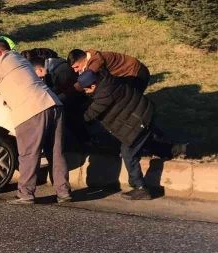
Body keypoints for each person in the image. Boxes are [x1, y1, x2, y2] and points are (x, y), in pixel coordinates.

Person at [0, 39, 72, 205]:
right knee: (56, 152)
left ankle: (26, 194)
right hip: (53, 104)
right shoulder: (18, 59)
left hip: (32, 110)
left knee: (29, 153)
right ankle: (63, 192)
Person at [78, 69, 186, 200]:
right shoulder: (108, 80)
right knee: (144, 142)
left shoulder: (103, 95)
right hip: (144, 112)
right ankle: (177, 149)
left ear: (93, 85)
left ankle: (140, 187)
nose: (85, 92)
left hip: (138, 120)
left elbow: (89, 115)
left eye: (86, 90)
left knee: (128, 152)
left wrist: (74, 117)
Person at [68, 48, 151, 93]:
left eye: (76, 67)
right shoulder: (87, 57)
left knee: (129, 102)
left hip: (136, 73)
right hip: (128, 74)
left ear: (83, 60)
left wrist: (64, 95)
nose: (75, 70)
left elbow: (82, 83)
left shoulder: (96, 63)